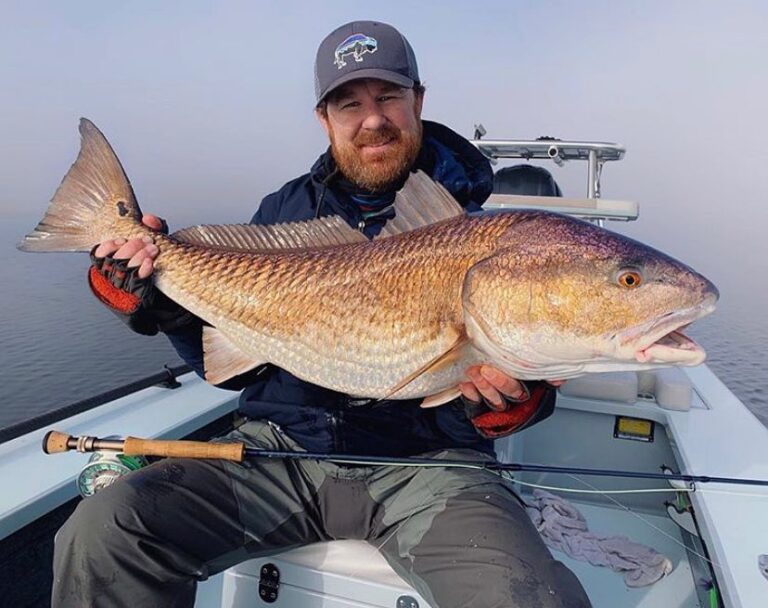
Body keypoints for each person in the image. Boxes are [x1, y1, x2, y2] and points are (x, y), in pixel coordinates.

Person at [52, 21, 591, 608]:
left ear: (418, 100)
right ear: (323, 117)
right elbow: (237, 366)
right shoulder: (282, 212)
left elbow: (512, 376)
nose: (372, 119)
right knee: (105, 529)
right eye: (349, 103)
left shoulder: (475, 228)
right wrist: (160, 305)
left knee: (527, 597)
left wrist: (511, 405)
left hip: (432, 469)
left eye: (388, 96)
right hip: (279, 451)